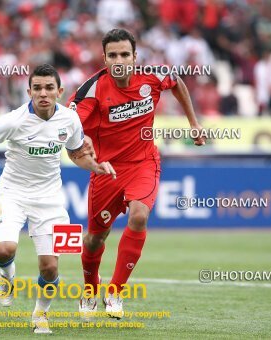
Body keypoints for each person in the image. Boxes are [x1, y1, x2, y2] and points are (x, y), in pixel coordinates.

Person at [0, 64, 115, 334]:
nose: (43, 93)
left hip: (50, 198)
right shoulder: (14, 120)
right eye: (37, 88)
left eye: (49, 88)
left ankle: (40, 314)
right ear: (29, 91)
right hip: (12, 193)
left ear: (60, 91)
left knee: (50, 267)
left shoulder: (69, 120)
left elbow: (76, 154)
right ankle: (7, 275)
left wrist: (95, 165)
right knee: (5, 249)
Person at [67, 28, 206, 320]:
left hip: (143, 163)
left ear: (134, 57)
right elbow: (69, 125)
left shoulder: (152, 76)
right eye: (113, 55)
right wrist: (80, 143)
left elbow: (177, 81)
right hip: (106, 171)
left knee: (139, 215)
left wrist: (194, 123)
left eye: (124, 55)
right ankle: (91, 289)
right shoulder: (91, 90)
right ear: (104, 59)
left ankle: (115, 292)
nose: (119, 61)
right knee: (94, 239)